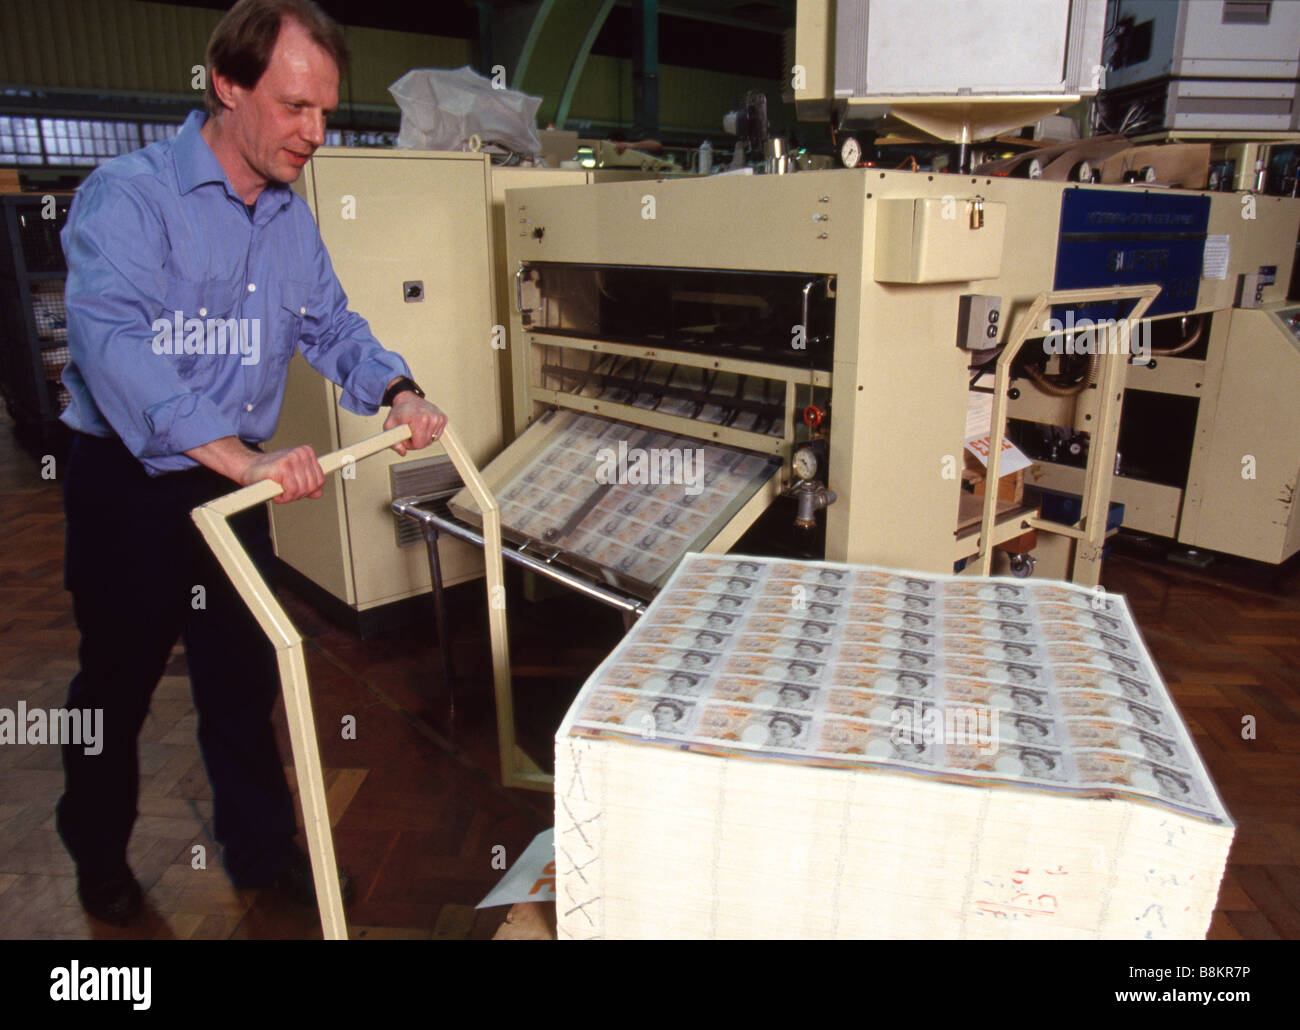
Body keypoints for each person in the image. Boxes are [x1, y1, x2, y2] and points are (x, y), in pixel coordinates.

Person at [55, 0, 447, 926]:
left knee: (244, 675)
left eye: (325, 111)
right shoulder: (130, 194)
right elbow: (113, 343)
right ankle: (97, 849)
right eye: (294, 107)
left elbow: (332, 325)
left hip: (237, 483)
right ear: (226, 85)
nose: (314, 133)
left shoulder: (287, 218)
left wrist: (397, 389)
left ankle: (263, 849)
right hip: (127, 485)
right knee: (114, 684)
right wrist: (231, 453)